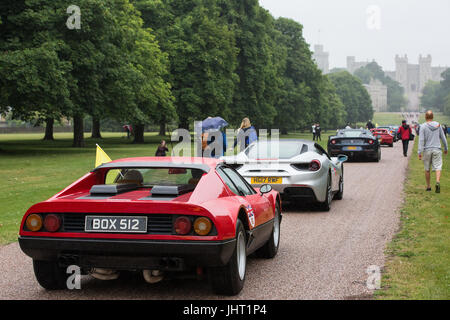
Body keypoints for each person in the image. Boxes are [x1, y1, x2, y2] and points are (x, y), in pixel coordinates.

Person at [418, 110, 448, 193]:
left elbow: (421, 140)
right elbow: (443, 137)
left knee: (427, 168)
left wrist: (419, 152)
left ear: (425, 117)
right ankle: (437, 182)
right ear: (432, 116)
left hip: (427, 150)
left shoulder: (423, 126)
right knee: (438, 166)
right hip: (437, 149)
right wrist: (446, 148)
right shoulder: (438, 125)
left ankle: (428, 187)